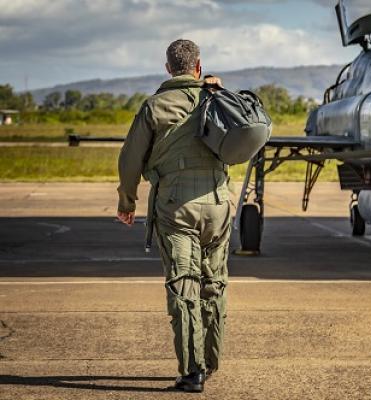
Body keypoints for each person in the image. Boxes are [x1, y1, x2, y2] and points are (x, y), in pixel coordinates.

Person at [117, 39, 231, 393]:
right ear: (198, 66)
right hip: (218, 203)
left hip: (176, 207)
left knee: (185, 284)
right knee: (214, 283)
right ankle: (211, 361)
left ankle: (192, 370)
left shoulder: (154, 106)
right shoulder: (217, 99)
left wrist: (128, 201)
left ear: (168, 68)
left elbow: (130, 159)